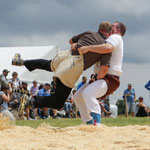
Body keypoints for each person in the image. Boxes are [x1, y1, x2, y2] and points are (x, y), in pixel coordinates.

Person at [12, 21, 112, 112]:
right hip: (74, 65)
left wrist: (76, 44)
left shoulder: (90, 33)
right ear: (109, 34)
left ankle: (22, 62)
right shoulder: (104, 46)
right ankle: (31, 100)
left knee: (47, 64)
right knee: (58, 102)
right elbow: (104, 69)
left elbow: (70, 41)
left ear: (99, 29)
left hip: (66, 55)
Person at [74, 21, 126, 125]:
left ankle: (97, 124)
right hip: (103, 77)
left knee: (88, 93)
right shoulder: (110, 39)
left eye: (113, 25)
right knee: (78, 96)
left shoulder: (115, 37)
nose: (110, 26)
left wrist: (87, 47)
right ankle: (88, 123)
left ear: (118, 30)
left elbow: (108, 48)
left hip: (110, 78)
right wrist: (78, 45)